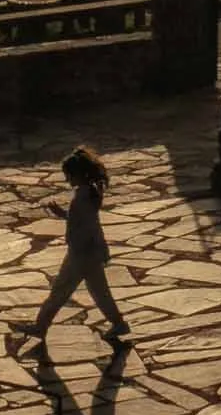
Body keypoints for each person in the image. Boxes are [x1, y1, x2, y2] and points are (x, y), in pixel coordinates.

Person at [9, 146, 131, 352]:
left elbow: (88, 224)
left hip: (81, 254)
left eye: (68, 176)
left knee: (60, 291)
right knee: (100, 293)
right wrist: (63, 214)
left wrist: (89, 248)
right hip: (88, 252)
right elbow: (85, 221)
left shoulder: (83, 197)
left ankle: (40, 327)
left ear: (78, 174)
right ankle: (119, 324)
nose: (67, 180)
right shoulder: (90, 192)